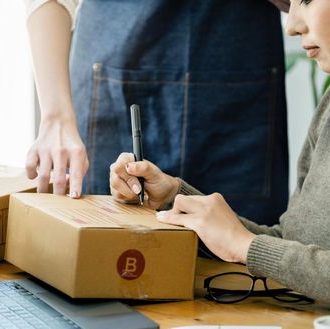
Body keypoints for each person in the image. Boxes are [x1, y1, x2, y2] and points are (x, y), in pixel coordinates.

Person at [110, 0, 330, 319]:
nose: (291, 25)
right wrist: (174, 199)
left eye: (306, 0)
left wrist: (247, 247)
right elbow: (295, 246)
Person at [22, 0, 290, 227]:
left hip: (242, 99)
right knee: (108, 259)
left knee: (245, 273)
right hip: (115, 87)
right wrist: (55, 116)